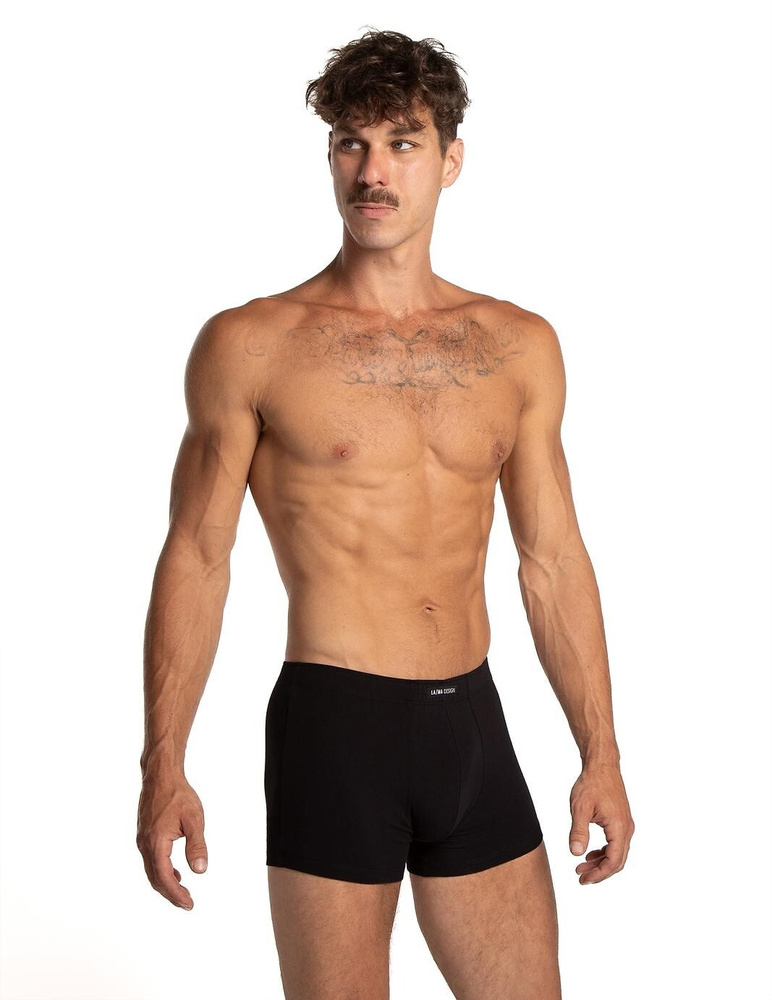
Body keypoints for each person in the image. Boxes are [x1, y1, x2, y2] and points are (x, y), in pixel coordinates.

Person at [136, 28, 634, 1000]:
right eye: (351, 144)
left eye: (402, 143)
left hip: (472, 724)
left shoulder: (517, 345)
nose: (373, 171)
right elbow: (197, 556)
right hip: (336, 728)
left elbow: (551, 560)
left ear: (451, 159)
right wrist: (164, 764)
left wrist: (601, 754)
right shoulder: (253, 344)